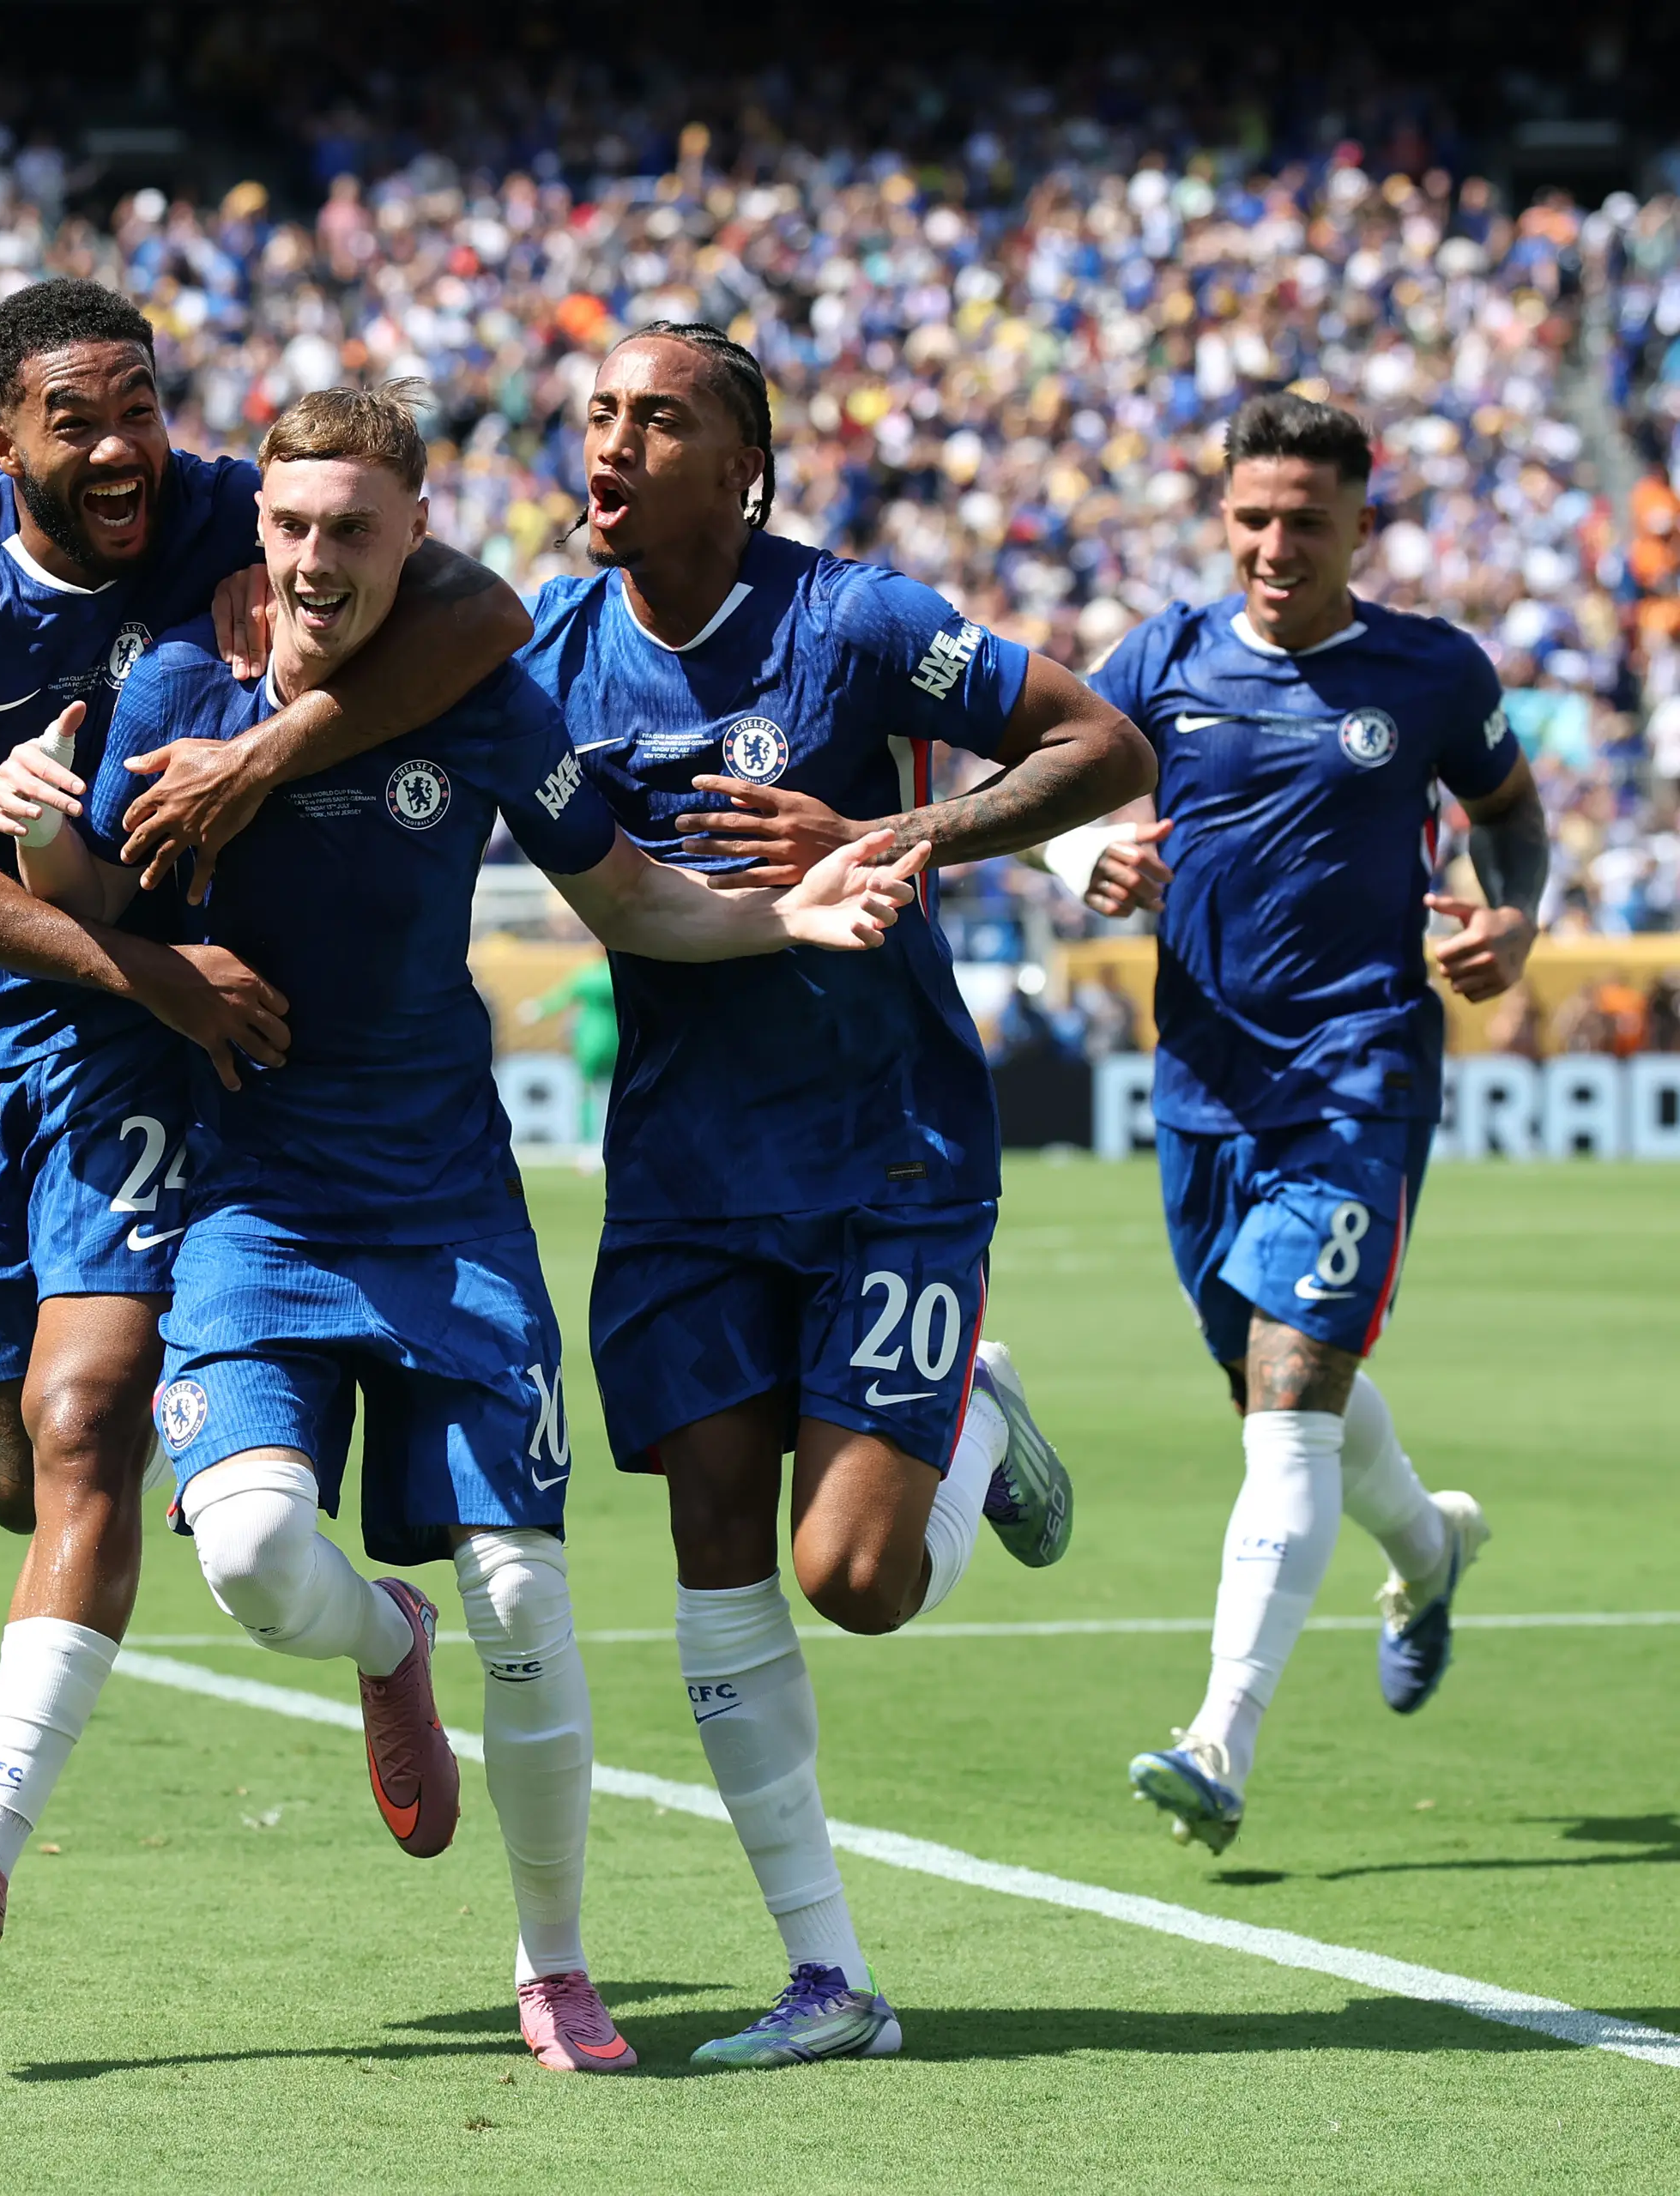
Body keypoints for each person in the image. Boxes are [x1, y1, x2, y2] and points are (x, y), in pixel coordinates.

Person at [0, 383, 924, 2073]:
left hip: (449, 1214)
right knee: (262, 1557)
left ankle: (554, 1963)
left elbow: (626, 890)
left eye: (356, 527)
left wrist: (789, 904)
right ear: (256, 534)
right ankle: (379, 1638)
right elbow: (103, 910)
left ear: (415, 533)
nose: (319, 557)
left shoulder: (485, 701)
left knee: (522, 1591)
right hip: (254, 1205)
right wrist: (44, 831)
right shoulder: (179, 692)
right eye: (291, 526)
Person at [0, 280, 532, 1971]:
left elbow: (483, 612)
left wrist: (266, 754)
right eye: (75, 419)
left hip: (145, 1059)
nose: (121, 445)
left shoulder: (230, 504)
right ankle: (380, 1632)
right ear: (0, 438)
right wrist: (144, 965)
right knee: (10, 1474)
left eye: (138, 404)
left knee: (84, 1425)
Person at [516, 324, 1152, 2067]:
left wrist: (907, 839)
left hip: (888, 1153)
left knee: (854, 1576)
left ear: (746, 465)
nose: (616, 442)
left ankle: (972, 1410)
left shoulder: (857, 622)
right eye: (599, 416)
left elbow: (1102, 740)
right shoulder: (546, 652)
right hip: (683, 1172)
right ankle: (830, 1978)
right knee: (715, 1549)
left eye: (661, 417)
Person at [1049, 392, 1541, 1854]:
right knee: (1273, 1390)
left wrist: (1517, 924)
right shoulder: (1165, 658)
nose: (1275, 545)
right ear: (1224, 516)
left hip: (1359, 1071)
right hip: (1203, 1081)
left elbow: (1512, 815)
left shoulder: (1432, 672)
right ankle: (1432, 1545)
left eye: (1306, 523)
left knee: (1288, 1392)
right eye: (1253, 517)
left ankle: (1221, 1736)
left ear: (1358, 530)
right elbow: (1069, 797)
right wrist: (1089, 858)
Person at [516, 951, 617, 1168]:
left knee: (589, 1093)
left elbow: (561, 998)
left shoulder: (587, 977)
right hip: (620, 1040)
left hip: (591, 1041)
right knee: (616, 1095)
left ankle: (590, 1146)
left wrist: (537, 1010)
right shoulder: (620, 977)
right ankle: (610, 1144)